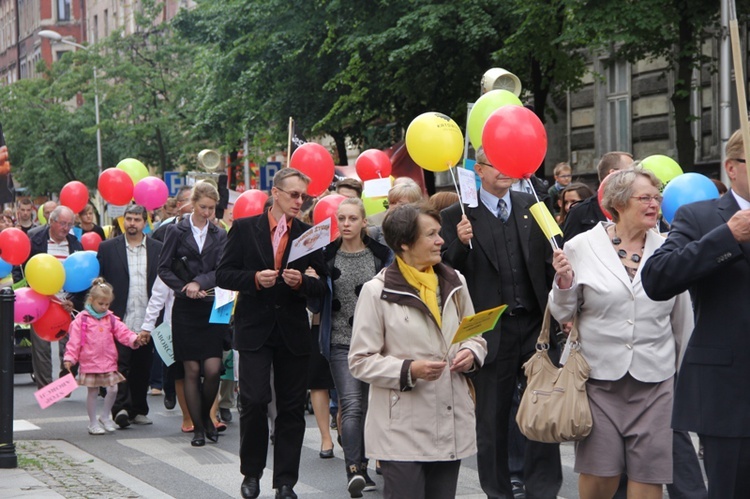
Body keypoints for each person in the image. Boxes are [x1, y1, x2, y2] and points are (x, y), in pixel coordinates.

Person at [549, 168, 693, 499]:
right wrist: (564, 284)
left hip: (655, 382)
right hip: (598, 380)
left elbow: (683, 322)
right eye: (645, 197)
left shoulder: (670, 249)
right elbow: (562, 312)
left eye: (657, 197)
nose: (654, 204)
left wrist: (685, 381)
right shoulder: (581, 246)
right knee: (600, 479)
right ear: (618, 202)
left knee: (648, 480)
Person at [440, 146, 562, 499]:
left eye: (511, 163)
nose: (506, 171)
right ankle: (497, 490)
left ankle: (543, 487)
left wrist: (563, 308)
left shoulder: (532, 206)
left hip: (534, 326)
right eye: (497, 165)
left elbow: (551, 258)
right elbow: (446, 270)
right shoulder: (458, 214)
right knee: (491, 417)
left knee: (541, 408)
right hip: (489, 330)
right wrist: (461, 244)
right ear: (479, 169)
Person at [348, 202, 487, 499]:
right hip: (400, 427)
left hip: (450, 417)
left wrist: (472, 353)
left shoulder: (455, 281)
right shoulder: (376, 291)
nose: (441, 240)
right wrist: (408, 369)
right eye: (431, 234)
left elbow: (475, 335)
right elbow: (360, 361)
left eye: (439, 233)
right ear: (404, 244)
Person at [641, 129, 750, 498]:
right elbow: (657, 279)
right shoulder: (702, 217)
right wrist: (726, 237)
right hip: (731, 392)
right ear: (732, 168)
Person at [216, 168, 328, 499]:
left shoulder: (309, 234)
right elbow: (223, 274)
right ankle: (251, 473)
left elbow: (321, 284)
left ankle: (285, 483)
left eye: (304, 196)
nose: (299, 201)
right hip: (254, 329)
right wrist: (253, 279)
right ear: (275, 193)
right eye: (294, 194)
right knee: (253, 400)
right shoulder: (245, 228)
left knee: (292, 408)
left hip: (292, 331)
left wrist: (302, 283)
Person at [318, 197, 391, 497]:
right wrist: (311, 282)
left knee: (372, 407)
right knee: (351, 405)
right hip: (339, 342)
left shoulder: (380, 256)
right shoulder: (326, 256)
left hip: (375, 343)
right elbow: (314, 300)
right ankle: (355, 470)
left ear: (363, 222)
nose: (346, 224)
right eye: (342, 219)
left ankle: (368, 459)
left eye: (352, 218)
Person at [158, 181, 228, 447]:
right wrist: (184, 288)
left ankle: (207, 418)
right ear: (193, 204)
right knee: (191, 369)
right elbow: (163, 269)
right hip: (186, 307)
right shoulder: (176, 231)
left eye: (212, 208)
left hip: (213, 303)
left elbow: (221, 270)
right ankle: (198, 427)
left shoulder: (219, 234)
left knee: (212, 369)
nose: (208, 212)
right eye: (203, 207)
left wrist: (200, 281)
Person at [97, 204, 162, 428]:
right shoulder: (107, 248)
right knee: (120, 363)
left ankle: (139, 409)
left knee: (143, 365)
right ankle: (120, 408)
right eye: (129, 219)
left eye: (137, 219)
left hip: (147, 317)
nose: (132, 223)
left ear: (145, 222)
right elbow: (99, 281)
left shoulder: (157, 249)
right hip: (119, 317)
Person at [63, 278, 148, 435]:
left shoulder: (111, 318)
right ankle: (92, 422)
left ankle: (105, 416)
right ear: (91, 300)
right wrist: (70, 358)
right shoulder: (82, 319)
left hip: (108, 361)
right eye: (101, 304)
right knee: (93, 392)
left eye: (107, 304)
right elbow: (74, 342)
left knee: (113, 389)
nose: (104, 307)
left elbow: (123, 332)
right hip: (90, 361)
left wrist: (134, 339)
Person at [15, 206, 83, 389]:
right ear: (51, 222)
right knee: (41, 348)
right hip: (40, 301)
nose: (66, 228)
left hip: (66, 302)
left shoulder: (75, 243)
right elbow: (20, 265)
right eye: (62, 223)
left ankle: (65, 383)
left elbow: (82, 277)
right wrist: (27, 294)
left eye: (70, 224)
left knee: (70, 346)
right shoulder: (35, 238)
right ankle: (45, 388)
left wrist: (75, 302)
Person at [562, 152, 634, 244]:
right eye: (631, 171)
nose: (636, 176)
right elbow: (568, 252)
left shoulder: (636, 208)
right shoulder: (580, 212)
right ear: (613, 173)